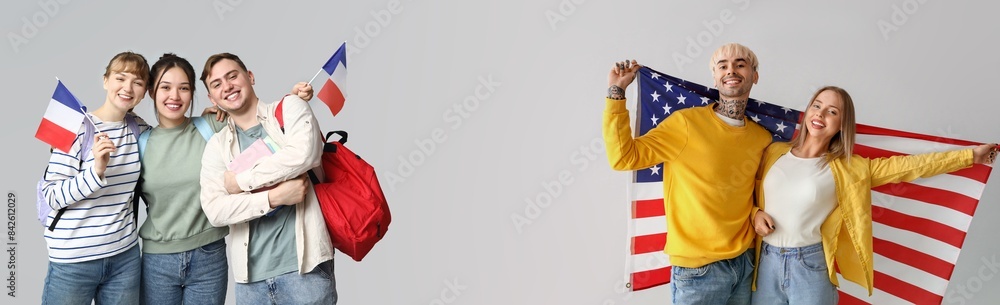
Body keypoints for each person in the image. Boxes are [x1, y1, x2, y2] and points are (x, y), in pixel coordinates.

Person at [749, 86, 998, 305]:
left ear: (841, 125)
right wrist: (754, 214)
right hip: (765, 264)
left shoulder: (850, 168)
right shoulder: (774, 152)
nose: (821, 114)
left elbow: (911, 166)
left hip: (809, 266)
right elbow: (742, 195)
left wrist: (970, 156)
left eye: (832, 111)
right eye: (817, 105)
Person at [603, 43, 772, 305]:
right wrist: (616, 92)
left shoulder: (761, 138)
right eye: (723, 65)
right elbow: (624, 157)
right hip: (698, 271)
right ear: (715, 76)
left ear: (754, 75)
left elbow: (744, 191)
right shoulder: (685, 124)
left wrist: (754, 213)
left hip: (745, 263)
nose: (731, 70)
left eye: (740, 64)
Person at [138, 53, 313, 305]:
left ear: (195, 94)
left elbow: (260, 123)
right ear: (152, 92)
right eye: (165, 88)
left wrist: (292, 98)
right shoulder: (141, 142)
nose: (174, 96)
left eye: (184, 88)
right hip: (157, 260)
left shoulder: (212, 126)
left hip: (208, 255)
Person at [198, 52, 336, 305]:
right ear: (212, 98)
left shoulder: (290, 107)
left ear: (250, 77)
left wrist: (240, 182)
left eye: (232, 76)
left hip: (305, 273)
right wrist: (273, 197)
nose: (227, 86)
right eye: (216, 84)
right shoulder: (217, 146)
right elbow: (215, 210)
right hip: (250, 282)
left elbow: (305, 155)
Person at [39, 51, 151, 304]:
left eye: (138, 82)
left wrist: (208, 119)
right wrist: (96, 171)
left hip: (124, 258)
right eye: (120, 78)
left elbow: (172, 140)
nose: (127, 88)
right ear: (105, 81)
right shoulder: (77, 127)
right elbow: (52, 196)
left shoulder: (138, 129)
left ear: (144, 92)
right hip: (72, 261)